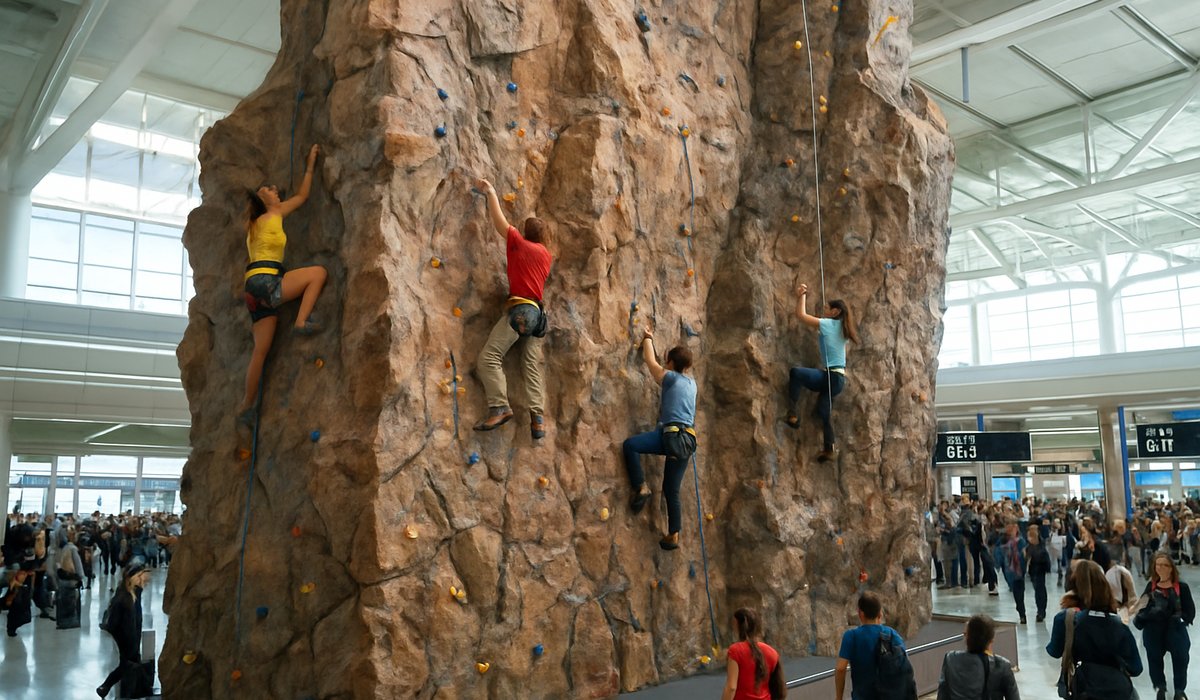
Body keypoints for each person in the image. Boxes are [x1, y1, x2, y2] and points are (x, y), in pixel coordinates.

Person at [236, 144, 328, 425]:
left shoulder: (257, 222)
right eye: (269, 190)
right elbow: (300, 197)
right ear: (263, 200)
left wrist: (310, 164)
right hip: (267, 281)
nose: (275, 190)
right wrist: (309, 164)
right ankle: (301, 321)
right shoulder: (270, 215)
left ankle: (246, 406)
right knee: (319, 273)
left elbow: (301, 195)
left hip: (253, 291)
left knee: (260, 352)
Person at [471, 177, 553, 440]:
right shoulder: (545, 255)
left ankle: (499, 407)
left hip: (521, 310)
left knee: (489, 358)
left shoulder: (518, 243)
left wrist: (491, 192)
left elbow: (499, 221)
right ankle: (537, 420)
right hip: (538, 317)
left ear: (524, 232)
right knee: (530, 366)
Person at [623, 328, 697, 550]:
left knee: (631, 446)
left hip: (669, 436)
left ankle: (641, 487)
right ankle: (674, 534)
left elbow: (649, 361)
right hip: (686, 441)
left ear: (670, 362)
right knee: (671, 489)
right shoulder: (692, 384)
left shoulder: (671, 378)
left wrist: (648, 338)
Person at [1047, 560, 1142, 700]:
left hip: (1083, 690)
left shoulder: (1066, 619)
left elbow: (1054, 651)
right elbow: (1136, 668)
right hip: (1117, 691)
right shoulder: (1118, 624)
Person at [784, 283, 858, 462]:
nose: (825, 309)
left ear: (835, 312)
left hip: (831, 376)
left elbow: (801, 315)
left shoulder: (830, 325)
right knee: (824, 411)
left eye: (827, 307)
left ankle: (792, 414)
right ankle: (829, 448)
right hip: (838, 380)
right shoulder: (842, 328)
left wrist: (802, 295)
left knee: (796, 373)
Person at [1134, 554, 1194, 700]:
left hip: (1175, 629)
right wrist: (1148, 614)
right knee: (1154, 658)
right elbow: (1141, 608)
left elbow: (1190, 611)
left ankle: (1179, 690)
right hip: (1154, 630)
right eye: (1157, 565)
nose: (1160, 568)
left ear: (1171, 568)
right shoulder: (1151, 587)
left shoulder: (1182, 587)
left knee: (1181, 658)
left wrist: (1180, 618)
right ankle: (1160, 687)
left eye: (1164, 565)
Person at [835, 592, 914, 700]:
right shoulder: (891, 634)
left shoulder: (851, 636)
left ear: (860, 614)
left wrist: (839, 697)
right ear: (880, 614)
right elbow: (904, 664)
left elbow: (840, 668)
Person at [97, 560, 150, 699]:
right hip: (126, 642)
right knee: (127, 666)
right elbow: (114, 625)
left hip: (132, 640)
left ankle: (106, 688)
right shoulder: (122, 599)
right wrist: (124, 642)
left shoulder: (134, 593)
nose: (141, 579)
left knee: (128, 667)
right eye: (138, 576)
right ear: (129, 578)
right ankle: (107, 687)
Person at [936, 614, 1020, 700]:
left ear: (967, 637)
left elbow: (942, 696)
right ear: (992, 639)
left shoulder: (950, 659)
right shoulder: (1002, 666)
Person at [721, 608, 785, 700]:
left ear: (738, 625)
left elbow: (731, 687)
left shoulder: (735, 651)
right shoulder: (772, 652)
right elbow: (777, 685)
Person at [999, 523, 1028, 624]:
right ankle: (1020, 610)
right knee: (1016, 594)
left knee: (1020, 594)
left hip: (1019, 571)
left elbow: (1025, 555)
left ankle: (1022, 614)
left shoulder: (1021, 541)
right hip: (1010, 571)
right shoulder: (1004, 540)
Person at [1026, 525, 1052, 623]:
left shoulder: (1040, 545)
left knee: (1039, 590)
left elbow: (1042, 556)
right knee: (1038, 590)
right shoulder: (1030, 545)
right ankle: (1040, 610)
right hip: (1033, 571)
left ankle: (1041, 611)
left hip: (1039, 570)